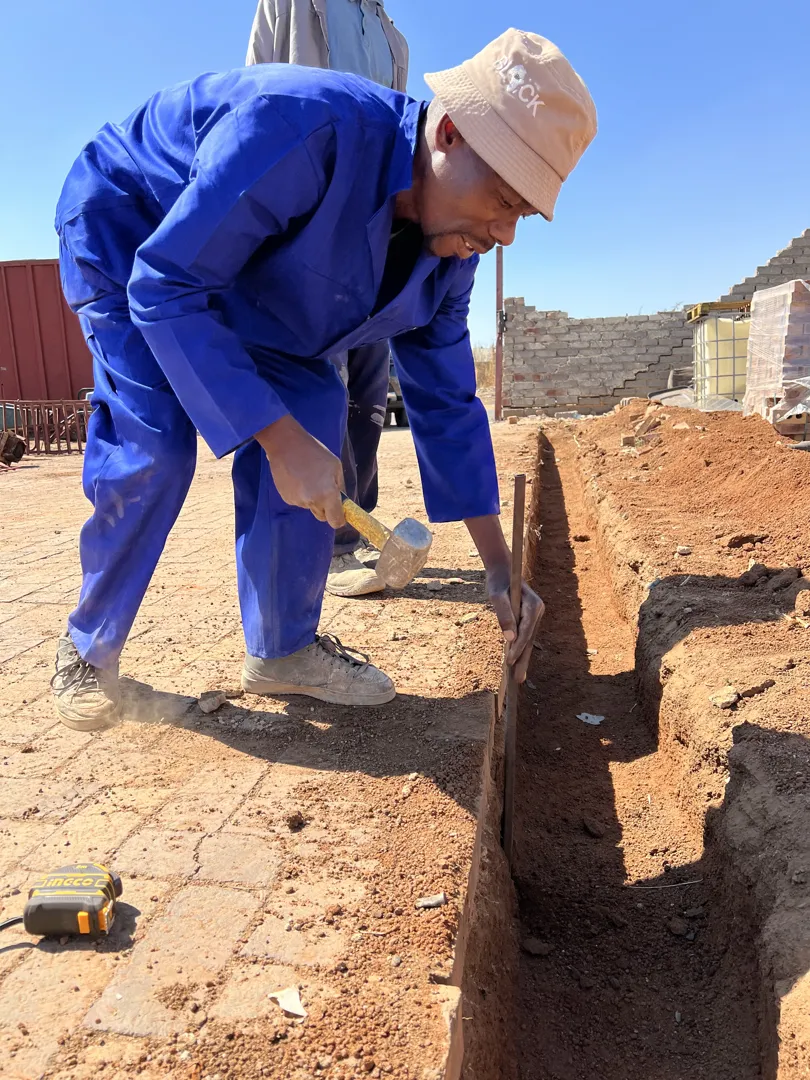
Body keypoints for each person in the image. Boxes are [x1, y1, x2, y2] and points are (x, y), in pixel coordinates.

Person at [50, 29, 597, 731]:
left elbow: (447, 403)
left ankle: (283, 651)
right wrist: (276, 442)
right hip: (133, 230)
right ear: (450, 134)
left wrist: (497, 565)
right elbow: (165, 284)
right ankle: (87, 648)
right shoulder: (304, 126)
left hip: (251, 277)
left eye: (522, 214)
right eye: (504, 198)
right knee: (156, 442)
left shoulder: (450, 258)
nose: (506, 234)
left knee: (313, 407)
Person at [246, 0, 409, 598]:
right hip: (310, 225)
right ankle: (332, 545)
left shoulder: (392, 39)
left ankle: (360, 526)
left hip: (370, 231)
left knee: (368, 392)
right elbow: (258, 95)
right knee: (323, 389)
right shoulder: (294, 4)